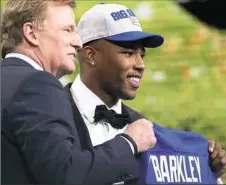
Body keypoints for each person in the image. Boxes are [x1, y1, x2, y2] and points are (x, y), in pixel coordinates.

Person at [65, 3, 226, 184]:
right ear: (90, 56)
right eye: (128, 53)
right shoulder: (50, 115)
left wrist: (205, 170)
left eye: (141, 55)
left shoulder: (146, 130)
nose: (140, 65)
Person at [1, 0, 157, 184]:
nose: (77, 42)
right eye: (67, 30)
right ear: (31, 33)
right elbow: (65, 173)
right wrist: (129, 143)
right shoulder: (37, 85)